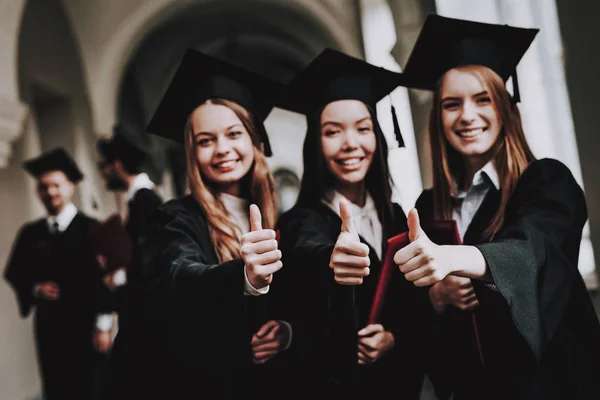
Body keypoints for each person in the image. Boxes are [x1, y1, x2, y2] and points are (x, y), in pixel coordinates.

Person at [395, 15, 600, 400]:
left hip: (554, 384)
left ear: (504, 106)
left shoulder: (546, 182)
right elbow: (414, 319)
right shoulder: (428, 207)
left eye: (482, 99)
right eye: (452, 104)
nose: (467, 116)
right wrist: (436, 300)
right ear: (438, 118)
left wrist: (453, 258)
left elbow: (533, 249)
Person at [105, 49, 288, 400]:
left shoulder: (273, 215)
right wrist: (245, 277)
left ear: (254, 140)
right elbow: (180, 274)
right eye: (205, 140)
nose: (222, 149)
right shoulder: (175, 217)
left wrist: (285, 330)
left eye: (234, 133)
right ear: (192, 153)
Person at [272, 48, 430, 399]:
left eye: (363, 128)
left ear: (377, 136)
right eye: (333, 132)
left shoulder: (396, 217)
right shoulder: (300, 222)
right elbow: (304, 253)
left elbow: (416, 308)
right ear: (315, 143)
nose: (351, 144)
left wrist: (393, 337)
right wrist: (330, 256)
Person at [4, 147, 113, 400]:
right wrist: (34, 288)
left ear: (70, 187)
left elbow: (109, 277)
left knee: (92, 387)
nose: (49, 192)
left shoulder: (93, 228)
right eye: (43, 187)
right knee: (57, 387)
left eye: (55, 185)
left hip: (86, 324)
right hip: (50, 326)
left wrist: (104, 324)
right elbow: (15, 271)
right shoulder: (30, 233)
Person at [96, 123, 164, 398]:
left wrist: (121, 274)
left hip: (146, 310)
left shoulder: (147, 201)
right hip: (133, 305)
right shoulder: (134, 200)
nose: (104, 171)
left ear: (118, 164)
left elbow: (153, 258)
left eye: (106, 165)